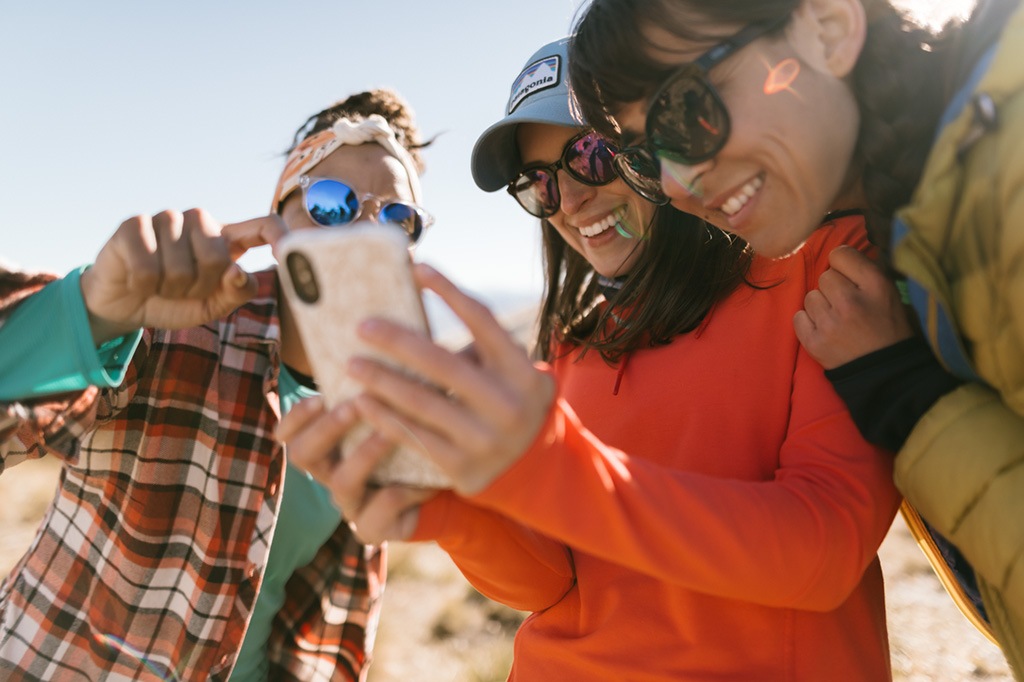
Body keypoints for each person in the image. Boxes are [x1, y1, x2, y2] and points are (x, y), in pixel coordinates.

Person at [278, 37, 901, 681]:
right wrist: (449, 507)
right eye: (538, 183)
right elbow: (548, 585)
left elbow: (824, 553)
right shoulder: (572, 348)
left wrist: (553, 468)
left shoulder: (817, 270)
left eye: (592, 155)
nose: (569, 202)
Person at [567, 0, 1024, 675]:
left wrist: (913, 402)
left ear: (830, 28)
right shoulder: (916, 213)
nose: (675, 184)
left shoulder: (1004, 185)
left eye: (686, 111)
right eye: (641, 155)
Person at [0, 87, 433, 681]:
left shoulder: (379, 406)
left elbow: (324, 619)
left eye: (396, 218)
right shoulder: (176, 321)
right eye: (332, 203)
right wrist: (93, 311)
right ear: (279, 214)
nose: (363, 231)